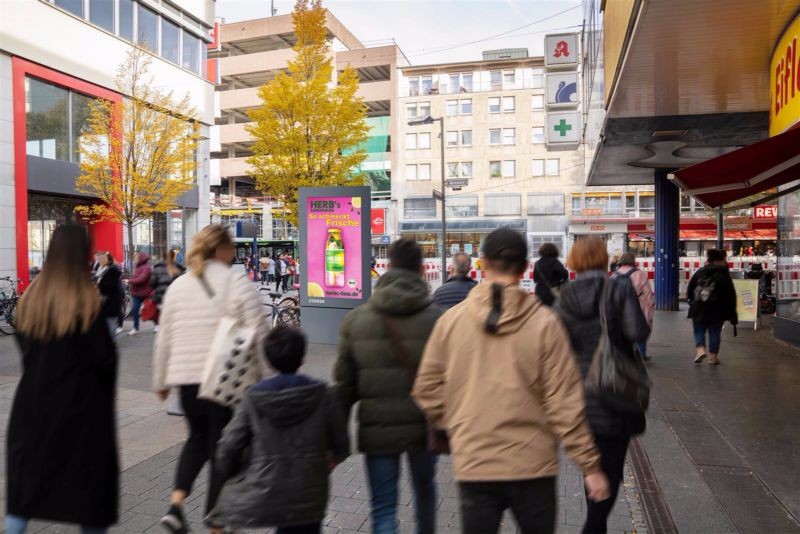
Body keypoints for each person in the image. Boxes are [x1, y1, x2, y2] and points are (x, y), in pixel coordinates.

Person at [413, 229, 609, 534]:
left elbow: (426, 387)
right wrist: (590, 466)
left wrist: (457, 423)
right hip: (533, 465)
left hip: (475, 462)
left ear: (482, 264)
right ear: (525, 268)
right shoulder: (545, 324)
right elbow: (565, 405)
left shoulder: (451, 321)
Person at [153, 224, 267, 534]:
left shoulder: (180, 285)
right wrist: (267, 378)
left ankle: (176, 505)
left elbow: (164, 336)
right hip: (225, 380)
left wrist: (160, 379)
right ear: (221, 250)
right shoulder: (236, 281)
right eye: (231, 247)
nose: (234, 253)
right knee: (223, 448)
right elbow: (259, 331)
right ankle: (216, 524)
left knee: (197, 439)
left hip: (187, 381)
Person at [7, 224, 118, 533]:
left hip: (31, 414)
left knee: (23, 500)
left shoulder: (30, 301)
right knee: (90, 503)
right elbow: (105, 363)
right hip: (80, 419)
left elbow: (25, 350)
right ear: (83, 254)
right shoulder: (87, 304)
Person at [334, 239, 443, 534]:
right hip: (425, 428)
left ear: (389, 267)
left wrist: (336, 441)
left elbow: (344, 388)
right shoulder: (439, 320)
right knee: (425, 493)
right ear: (422, 270)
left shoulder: (356, 320)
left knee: (383, 507)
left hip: (377, 429)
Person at [215, 326, 350, 533]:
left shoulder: (253, 397)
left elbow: (229, 444)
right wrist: (327, 464)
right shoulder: (323, 394)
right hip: (310, 488)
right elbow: (342, 444)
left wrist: (234, 471)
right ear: (302, 357)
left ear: (268, 359)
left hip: (268, 487)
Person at [556, 237, 649, 534]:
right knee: (611, 469)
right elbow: (636, 331)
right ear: (602, 258)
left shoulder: (564, 296)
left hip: (579, 393)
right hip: (614, 389)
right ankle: (593, 527)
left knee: (592, 468)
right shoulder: (619, 287)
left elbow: (558, 348)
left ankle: (595, 526)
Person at [686, 248, 738, 365]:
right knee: (714, 332)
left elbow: (690, 288)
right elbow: (730, 294)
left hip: (699, 307)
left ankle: (700, 351)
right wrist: (732, 312)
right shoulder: (723, 274)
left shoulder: (701, 271)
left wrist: (691, 303)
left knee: (699, 330)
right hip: (717, 310)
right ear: (720, 260)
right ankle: (713, 357)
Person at [612, 253, 654, 360]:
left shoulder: (615, 275)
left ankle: (624, 354)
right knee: (640, 327)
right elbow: (648, 293)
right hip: (639, 304)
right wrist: (650, 304)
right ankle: (641, 354)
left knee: (623, 329)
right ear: (633, 261)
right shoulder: (640, 274)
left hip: (620, 306)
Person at [150, 249, 186, 333]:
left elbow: (152, 283)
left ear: (162, 257)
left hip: (160, 296)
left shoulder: (157, 268)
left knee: (162, 314)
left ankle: (160, 327)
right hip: (174, 297)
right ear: (174, 257)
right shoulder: (179, 269)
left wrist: (156, 289)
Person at [94, 251, 123, 337]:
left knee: (110, 324)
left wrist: (97, 285)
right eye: (99, 258)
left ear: (109, 260)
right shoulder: (99, 270)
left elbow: (110, 286)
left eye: (103, 258)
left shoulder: (113, 270)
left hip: (110, 301)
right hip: (101, 301)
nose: (100, 260)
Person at [127, 251, 152, 336]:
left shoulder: (146, 268)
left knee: (151, 310)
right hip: (137, 293)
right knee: (135, 310)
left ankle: (157, 325)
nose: (134, 260)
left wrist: (129, 281)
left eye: (136, 258)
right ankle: (135, 328)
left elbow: (141, 279)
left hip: (145, 293)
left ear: (140, 258)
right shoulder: (138, 267)